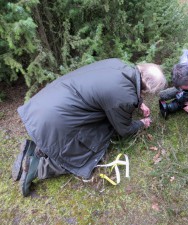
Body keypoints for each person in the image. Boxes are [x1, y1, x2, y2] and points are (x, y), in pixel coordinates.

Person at [11, 58, 166, 197]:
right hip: (58, 118)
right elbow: (123, 129)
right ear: (149, 89)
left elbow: (109, 93)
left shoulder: (119, 64)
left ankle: (34, 149)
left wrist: (138, 102)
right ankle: (37, 166)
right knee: (79, 154)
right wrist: (141, 123)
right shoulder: (124, 97)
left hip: (47, 104)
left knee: (61, 137)